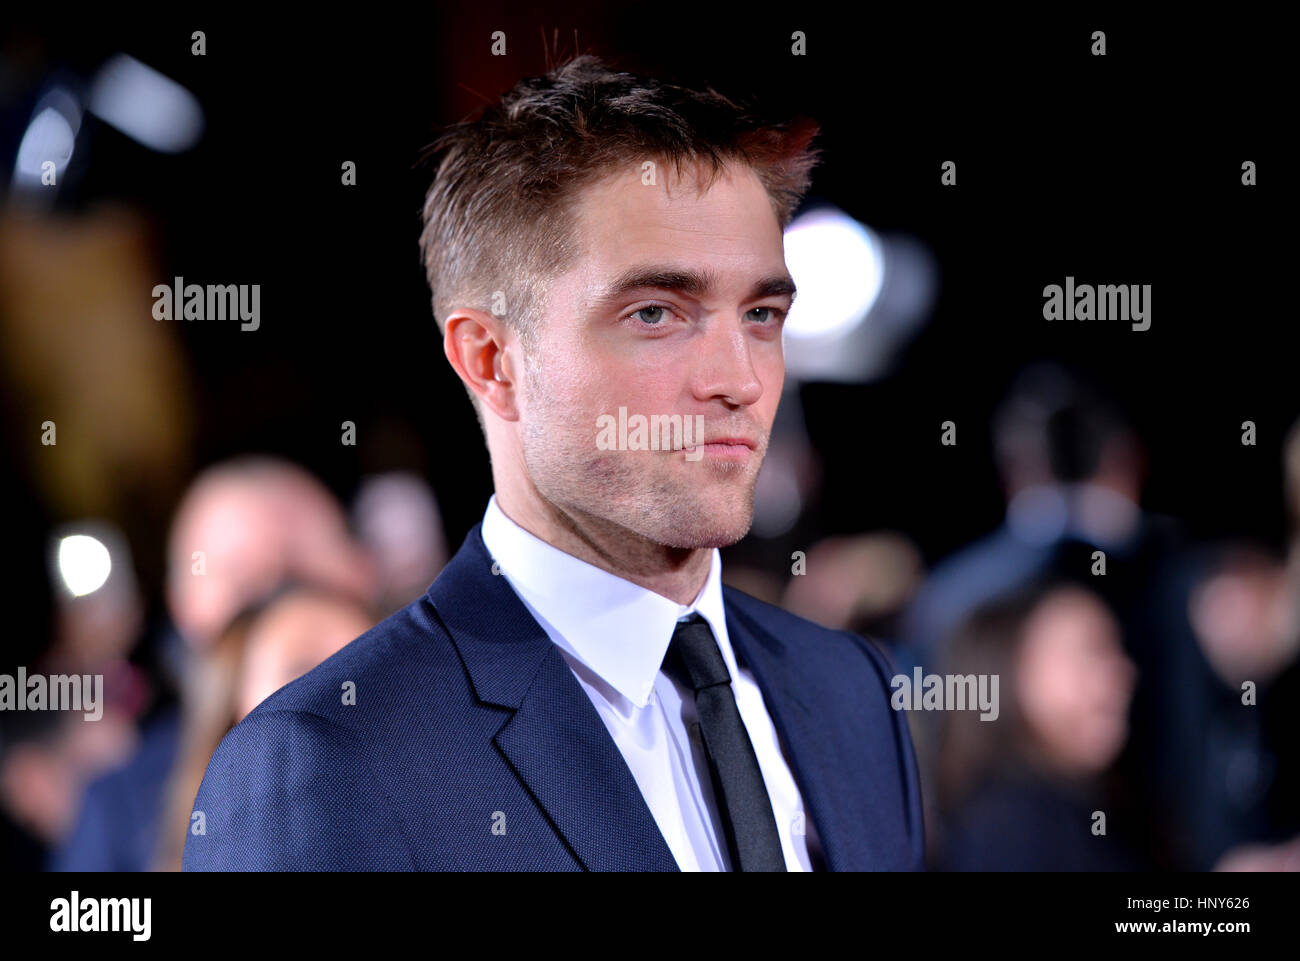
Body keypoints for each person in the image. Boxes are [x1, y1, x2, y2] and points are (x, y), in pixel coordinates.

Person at [184, 55, 925, 871]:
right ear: (493, 359)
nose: (740, 381)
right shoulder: (332, 758)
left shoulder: (849, 687)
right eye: (655, 313)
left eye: (760, 314)